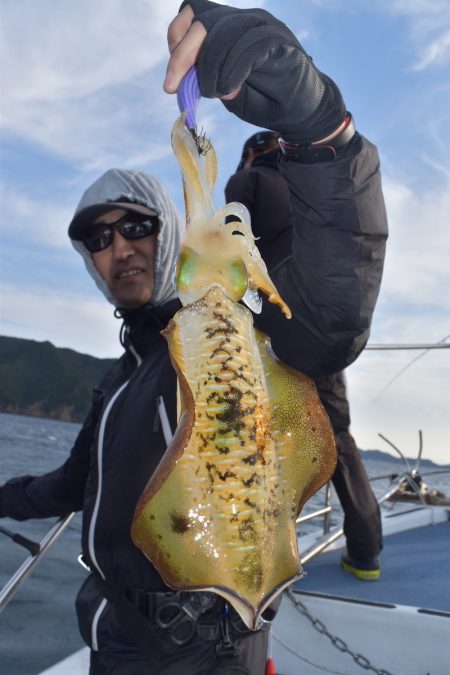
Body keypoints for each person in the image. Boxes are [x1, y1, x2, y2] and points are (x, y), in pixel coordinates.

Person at [0, 1, 388, 673]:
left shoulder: (237, 331)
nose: (119, 247)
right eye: (98, 238)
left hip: (204, 648)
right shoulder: (123, 377)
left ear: (169, 232)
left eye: (136, 225)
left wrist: (322, 128)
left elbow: (328, 321)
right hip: (113, 637)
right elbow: (71, 485)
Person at [225, 133, 383, 580]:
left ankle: (266, 564)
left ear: (253, 153)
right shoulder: (303, 188)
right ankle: (366, 553)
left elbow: (232, 253)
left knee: (267, 443)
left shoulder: (248, 181)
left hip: (274, 332)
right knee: (339, 439)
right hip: (317, 330)